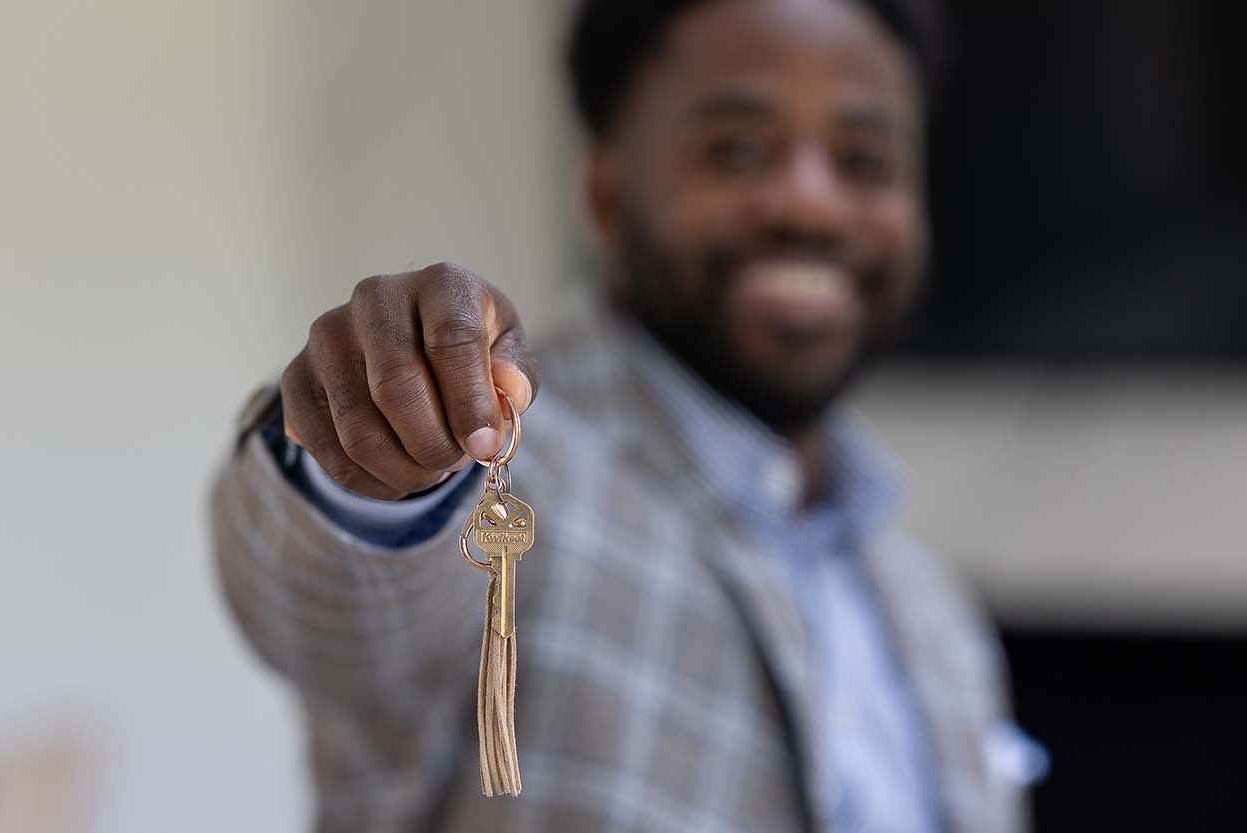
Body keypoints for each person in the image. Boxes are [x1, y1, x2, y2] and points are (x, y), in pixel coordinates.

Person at [210, 0, 1035, 830]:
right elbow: (327, 592)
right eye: (738, 149)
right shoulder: (501, 465)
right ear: (606, 192)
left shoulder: (933, 611)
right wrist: (371, 453)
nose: (809, 204)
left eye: (864, 160)